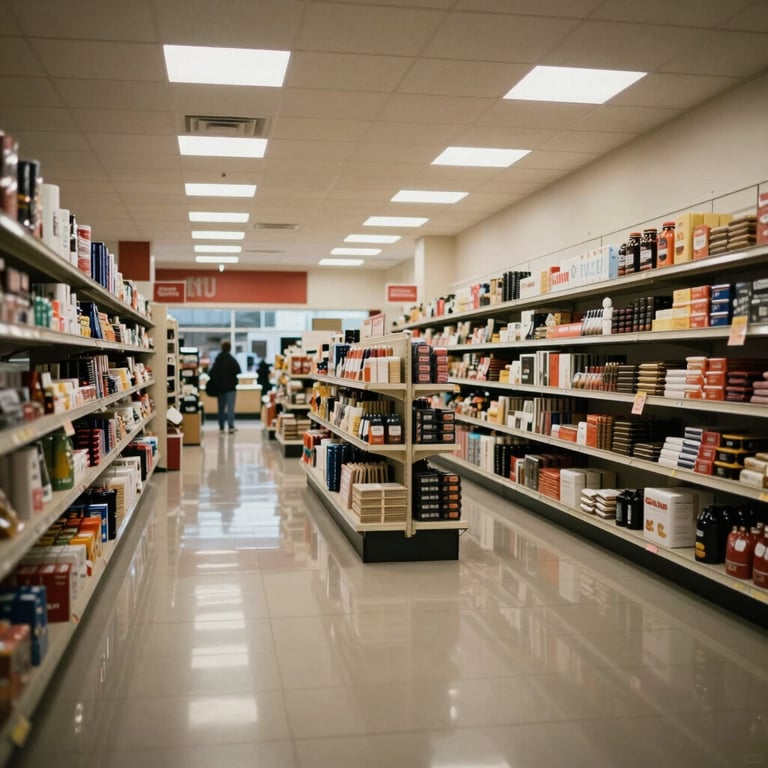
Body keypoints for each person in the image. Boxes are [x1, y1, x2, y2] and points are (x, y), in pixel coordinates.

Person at [207, 340, 241, 433]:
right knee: (230, 409)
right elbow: (239, 371)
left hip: (220, 388)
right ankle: (230, 427)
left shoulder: (218, 359)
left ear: (222, 348)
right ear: (230, 348)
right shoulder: (232, 360)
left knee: (221, 409)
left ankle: (221, 427)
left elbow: (211, 372)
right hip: (231, 388)